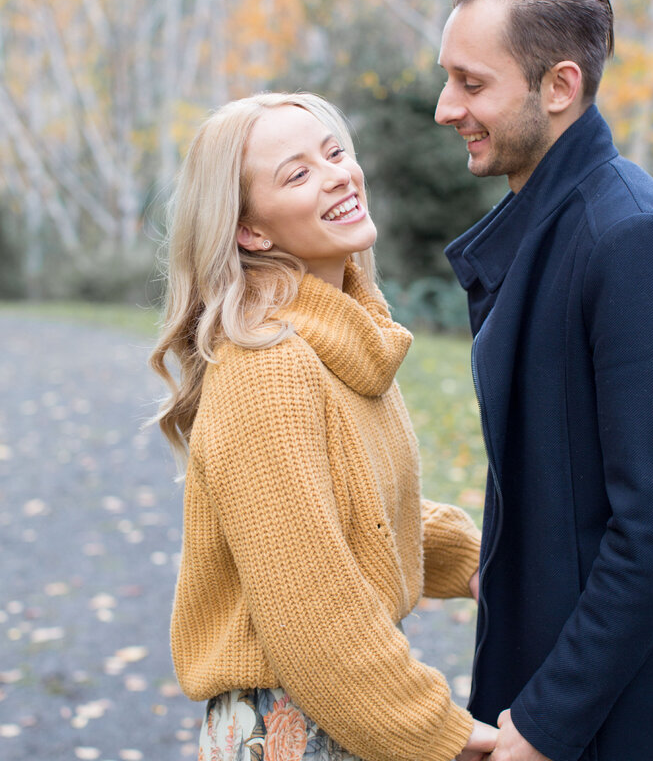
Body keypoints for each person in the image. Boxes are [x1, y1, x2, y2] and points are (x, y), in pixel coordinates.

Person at [149, 91, 498, 761]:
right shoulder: (268, 367)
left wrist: (478, 560)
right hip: (297, 723)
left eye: (335, 152)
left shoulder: (343, 339)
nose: (337, 173)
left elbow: (353, 506)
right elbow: (312, 614)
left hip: (344, 704)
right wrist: (445, 733)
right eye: (297, 173)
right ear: (251, 231)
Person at [435, 0, 653, 760]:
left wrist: (549, 721)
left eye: (471, 83)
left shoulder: (632, 240)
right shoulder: (552, 228)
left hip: (630, 715)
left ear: (559, 86)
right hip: (556, 677)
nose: (446, 108)